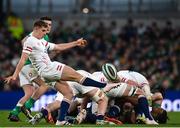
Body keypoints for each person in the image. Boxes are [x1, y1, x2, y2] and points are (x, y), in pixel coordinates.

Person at [5, 21, 119, 125]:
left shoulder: (41, 41)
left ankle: (60, 120)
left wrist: (76, 43)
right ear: (36, 28)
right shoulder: (30, 41)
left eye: (46, 31)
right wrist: (14, 75)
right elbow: (23, 59)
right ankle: (105, 86)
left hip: (46, 74)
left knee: (68, 93)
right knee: (78, 76)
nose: (44, 33)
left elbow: (58, 47)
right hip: (50, 68)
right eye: (43, 30)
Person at [8, 16, 53, 122]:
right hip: (28, 66)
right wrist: (29, 50)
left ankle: (14, 113)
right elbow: (24, 41)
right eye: (46, 24)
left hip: (25, 68)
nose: (48, 27)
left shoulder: (44, 37)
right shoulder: (38, 36)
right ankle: (28, 106)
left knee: (29, 93)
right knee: (45, 84)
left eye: (50, 25)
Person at [29, 70, 108, 125]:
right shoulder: (102, 80)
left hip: (71, 79)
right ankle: (100, 121)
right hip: (83, 80)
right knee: (103, 99)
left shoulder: (96, 74)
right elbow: (85, 98)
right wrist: (82, 111)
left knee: (58, 103)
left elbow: (82, 100)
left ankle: (41, 114)